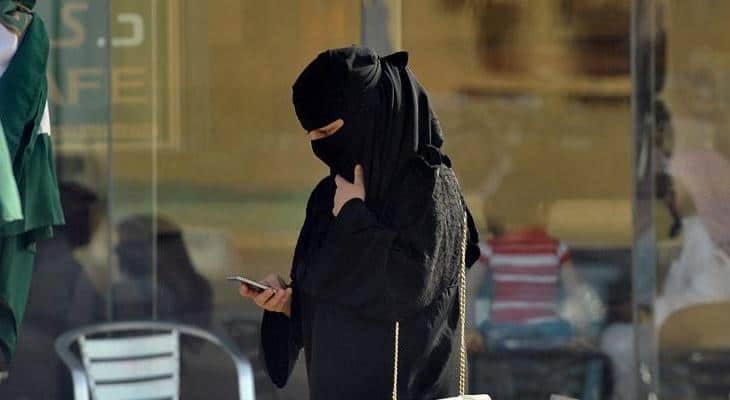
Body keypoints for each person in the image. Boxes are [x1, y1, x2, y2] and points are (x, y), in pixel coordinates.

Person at [238, 46, 480, 399]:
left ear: (368, 115)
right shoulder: (330, 194)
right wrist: (287, 305)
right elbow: (337, 301)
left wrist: (354, 216)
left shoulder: (428, 188)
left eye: (327, 132)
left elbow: (406, 293)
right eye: (311, 136)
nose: (319, 147)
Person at [600, 149, 730, 400]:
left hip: (697, 347)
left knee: (615, 341)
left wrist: (645, 311)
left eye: (672, 188)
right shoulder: (695, 231)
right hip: (685, 341)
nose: (666, 198)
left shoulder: (702, 234)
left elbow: (708, 307)